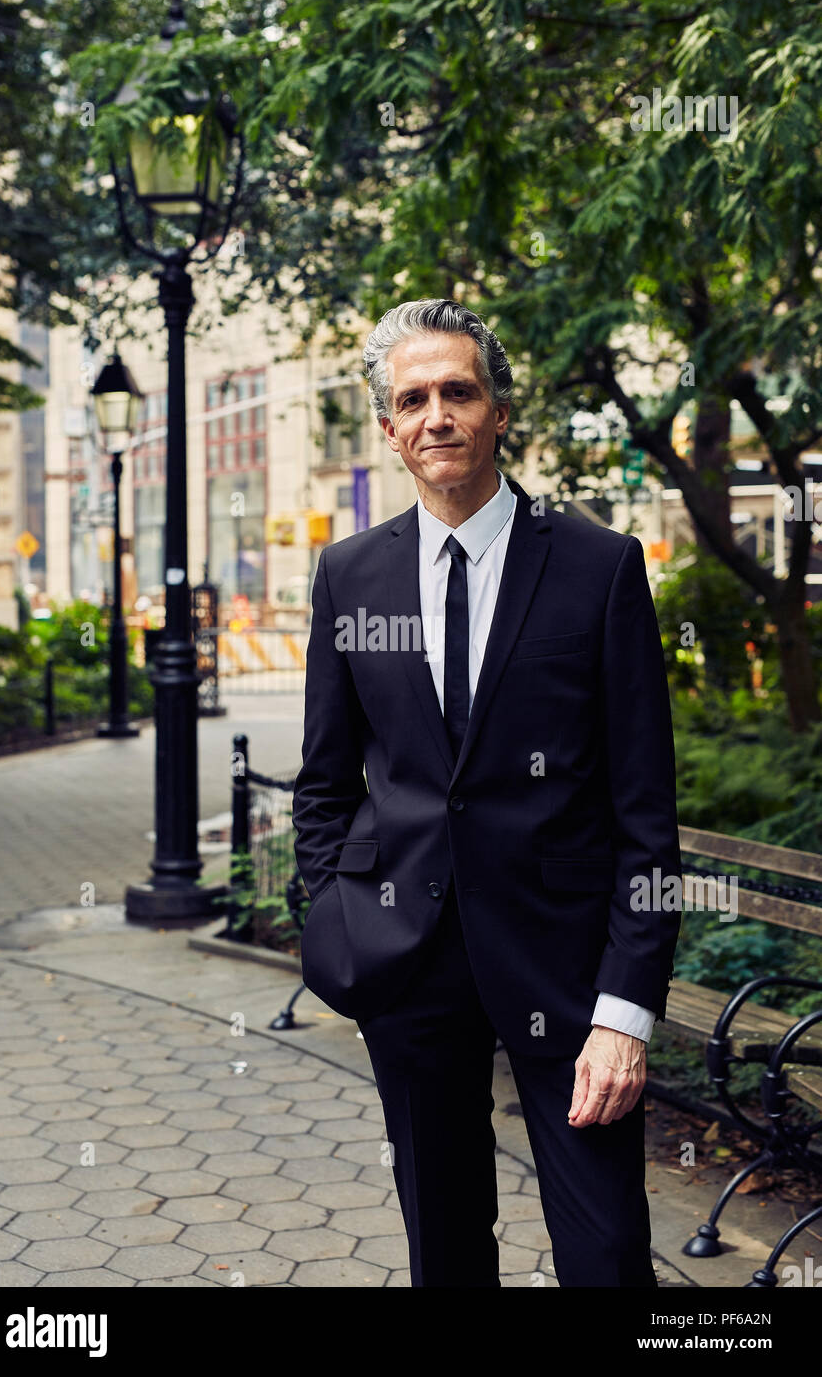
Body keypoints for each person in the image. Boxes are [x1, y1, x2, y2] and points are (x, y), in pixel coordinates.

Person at [292, 297, 682, 1287]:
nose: (436, 416)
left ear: (497, 409)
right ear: (387, 427)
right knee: (447, 1250)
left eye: (457, 391)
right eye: (411, 398)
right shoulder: (349, 576)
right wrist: (334, 924)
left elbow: (644, 814)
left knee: (604, 1257)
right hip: (407, 968)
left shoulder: (595, 566)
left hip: (566, 972)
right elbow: (326, 781)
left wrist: (625, 1011)